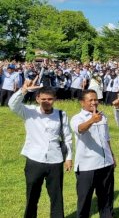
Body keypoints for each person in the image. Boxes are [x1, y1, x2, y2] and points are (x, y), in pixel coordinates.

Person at [8, 81, 73, 218]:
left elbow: (67, 137)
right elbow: (12, 104)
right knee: (32, 196)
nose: (46, 102)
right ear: (37, 99)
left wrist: (68, 158)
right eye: (43, 99)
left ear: (54, 99)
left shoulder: (61, 114)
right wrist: (23, 90)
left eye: (50, 99)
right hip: (34, 160)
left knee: (56, 196)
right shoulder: (29, 111)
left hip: (55, 160)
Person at [70, 89, 115, 218]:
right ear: (82, 102)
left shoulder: (103, 116)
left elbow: (106, 138)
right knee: (85, 200)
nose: (94, 102)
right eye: (90, 100)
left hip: (106, 163)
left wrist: (111, 156)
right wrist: (91, 120)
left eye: (96, 99)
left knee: (106, 198)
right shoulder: (77, 118)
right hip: (87, 166)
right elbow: (80, 129)